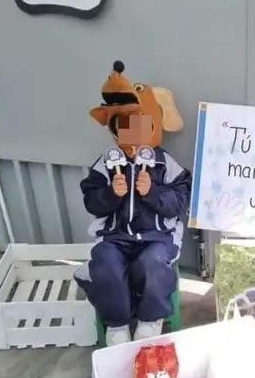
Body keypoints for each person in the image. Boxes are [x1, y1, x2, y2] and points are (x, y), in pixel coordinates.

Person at [75, 61, 190, 346]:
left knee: (152, 264)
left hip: (156, 238)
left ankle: (151, 319)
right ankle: (117, 323)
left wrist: (151, 192)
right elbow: (92, 201)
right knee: (105, 261)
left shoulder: (164, 163)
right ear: (115, 133)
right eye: (124, 130)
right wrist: (111, 194)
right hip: (116, 238)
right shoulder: (106, 164)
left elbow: (180, 201)